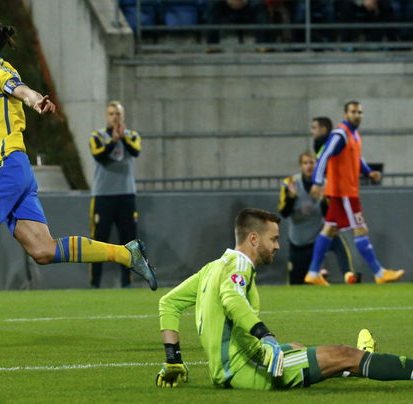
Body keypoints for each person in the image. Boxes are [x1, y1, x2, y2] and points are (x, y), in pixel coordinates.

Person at [0, 16, 157, 345]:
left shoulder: (0, 71)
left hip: (3, 168)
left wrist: (36, 100)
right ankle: (127, 255)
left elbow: (20, 90)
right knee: (43, 250)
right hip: (17, 170)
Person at [155, 208, 413, 390]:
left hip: (225, 370)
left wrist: (173, 360)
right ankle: (367, 360)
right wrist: (265, 336)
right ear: (254, 239)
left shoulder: (212, 268)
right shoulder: (239, 266)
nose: (278, 246)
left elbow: (168, 303)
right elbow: (232, 299)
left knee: (297, 347)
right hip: (250, 369)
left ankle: (356, 362)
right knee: (344, 354)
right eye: (274, 239)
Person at [304, 101, 404, 285]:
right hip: (344, 192)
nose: (357, 115)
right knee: (360, 228)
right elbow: (324, 156)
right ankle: (379, 273)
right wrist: (317, 182)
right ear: (345, 114)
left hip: (345, 191)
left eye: (360, 112)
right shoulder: (340, 133)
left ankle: (313, 272)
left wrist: (367, 172)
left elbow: (357, 157)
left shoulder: (354, 134)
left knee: (329, 229)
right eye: (353, 111)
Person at [278, 151, 357, 285]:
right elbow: (284, 213)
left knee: (335, 238)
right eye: (305, 163)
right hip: (299, 241)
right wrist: (291, 197)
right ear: (300, 166)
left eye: (312, 163)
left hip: (318, 238)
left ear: (318, 165)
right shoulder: (290, 183)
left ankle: (348, 274)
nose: (309, 166)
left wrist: (323, 199)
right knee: (296, 283)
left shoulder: (326, 184)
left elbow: (329, 217)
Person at [88, 101, 141, 288]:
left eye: (117, 113)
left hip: (126, 195)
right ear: (106, 116)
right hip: (103, 196)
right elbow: (98, 156)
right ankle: (95, 283)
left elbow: (136, 151)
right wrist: (113, 140)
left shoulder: (132, 136)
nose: (114, 117)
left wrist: (122, 138)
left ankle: (127, 282)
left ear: (122, 115)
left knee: (128, 241)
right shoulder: (97, 136)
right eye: (111, 113)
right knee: (98, 241)